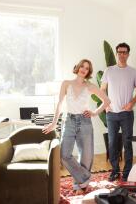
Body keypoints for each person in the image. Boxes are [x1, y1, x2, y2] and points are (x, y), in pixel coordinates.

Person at [43, 59, 110, 193]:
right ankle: (85, 178)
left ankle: (78, 184)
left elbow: (107, 101)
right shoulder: (66, 84)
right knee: (64, 154)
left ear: (88, 72)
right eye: (82, 66)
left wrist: (94, 113)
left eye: (87, 68)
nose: (84, 69)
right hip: (69, 121)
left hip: (85, 122)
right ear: (78, 67)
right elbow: (60, 104)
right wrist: (54, 123)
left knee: (85, 156)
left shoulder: (89, 86)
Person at [101, 43, 136, 182]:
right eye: (119, 52)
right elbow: (102, 90)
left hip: (126, 114)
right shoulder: (109, 70)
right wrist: (106, 105)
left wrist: (131, 103)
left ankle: (127, 172)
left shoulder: (133, 72)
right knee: (112, 143)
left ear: (128, 54)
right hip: (111, 114)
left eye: (124, 52)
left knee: (127, 143)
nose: (122, 54)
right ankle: (114, 171)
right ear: (117, 53)